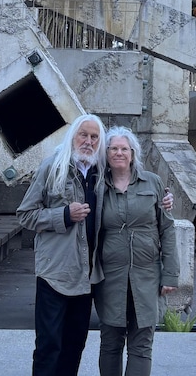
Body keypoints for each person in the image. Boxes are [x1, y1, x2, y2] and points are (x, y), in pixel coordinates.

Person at [17, 114, 107, 376]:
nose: (88, 142)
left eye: (94, 137)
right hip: (54, 273)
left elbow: (133, 183)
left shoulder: (103, 174)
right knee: (49, 345)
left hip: (87, 275)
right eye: (83, 135)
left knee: (74, 345)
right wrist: (64, 215)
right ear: (72, 137)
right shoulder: (52, 167)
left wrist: (164, 197)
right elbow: (25, 215)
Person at [94, 127, 179, 376]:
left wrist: (171, 275)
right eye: (113, 148)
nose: (119, 153)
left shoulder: (152, 182)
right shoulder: (97, 186)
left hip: (147, 276)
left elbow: (167, 229)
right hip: (110, 277)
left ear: (132, 153)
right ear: (106, 153)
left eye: (124, 148)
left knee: (141, 345)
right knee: (110, 343)